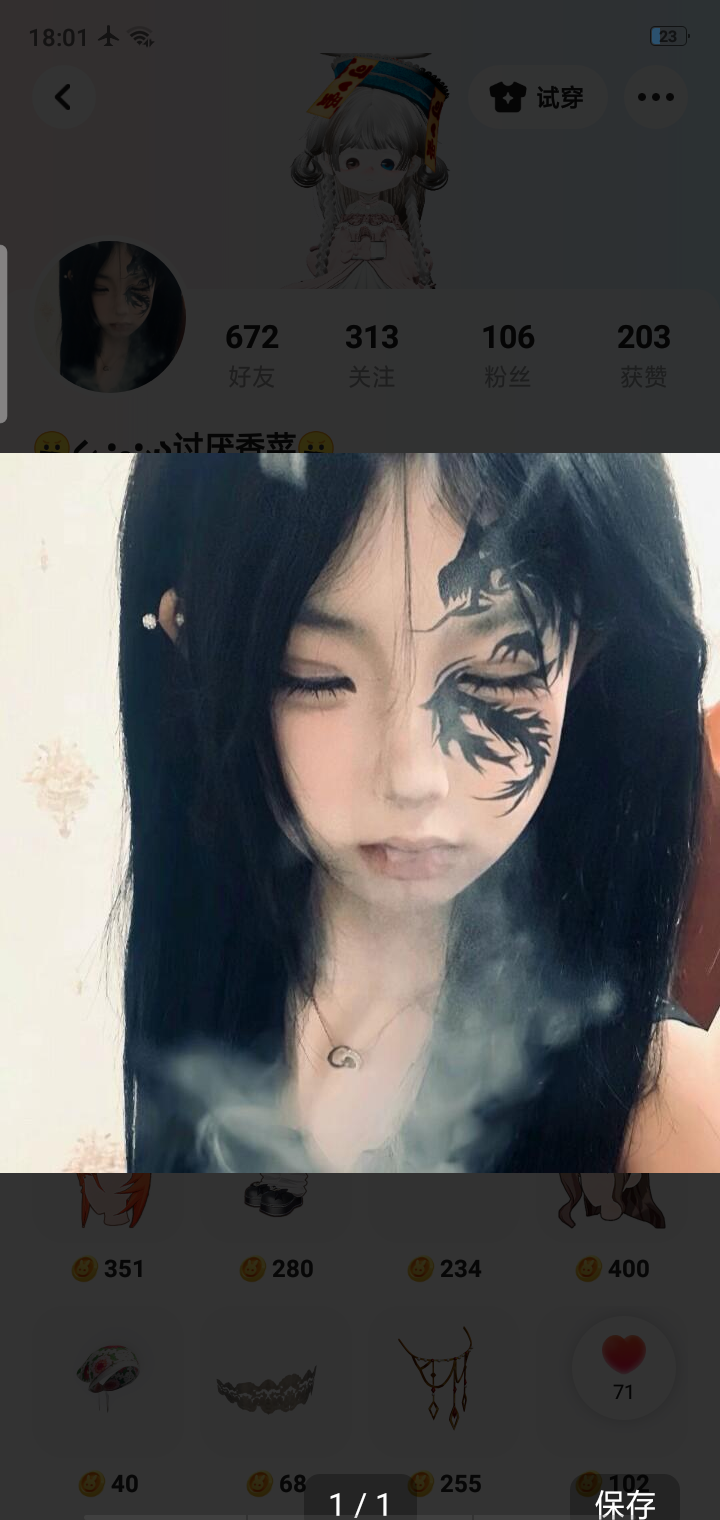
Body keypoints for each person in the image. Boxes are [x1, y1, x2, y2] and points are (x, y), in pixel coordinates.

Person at [111, 452, 720, 1172]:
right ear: (194, 648)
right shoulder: (210, 977)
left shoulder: (670, 1112)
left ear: (585, 655)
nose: (412, 777)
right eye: (314, 676)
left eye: (496, 674)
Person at [287, 54, 448, 289]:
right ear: (328, 162)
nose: (369, 172)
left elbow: (402, 254)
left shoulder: (387, 218)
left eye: (387, 163)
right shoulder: (349, 217)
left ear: (412, 165)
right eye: (352, 162)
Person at [59, 241, 184, 392]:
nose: (121, 309)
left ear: (157, 283)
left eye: (138, 287)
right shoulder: (70, 357)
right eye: (101, 288)